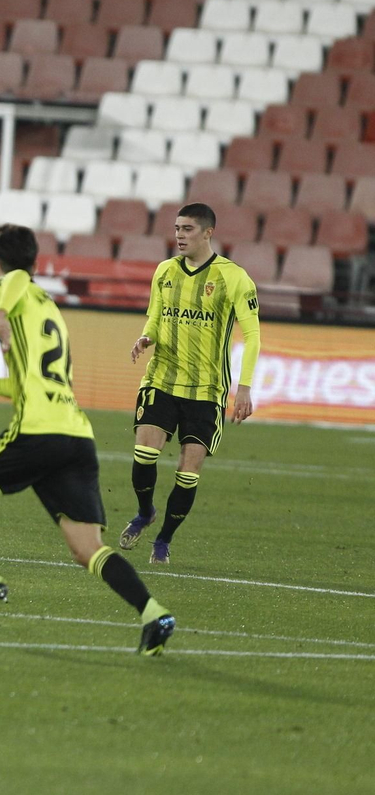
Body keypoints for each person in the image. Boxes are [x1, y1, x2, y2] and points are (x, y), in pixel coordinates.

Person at [0, 224, 176, 656]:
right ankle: (153, 613)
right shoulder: (49, 309)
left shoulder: (8, 288)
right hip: (76, 436)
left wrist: (0, 320)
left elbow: (10, 284)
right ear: (35, 259)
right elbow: (24, 386)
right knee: (87, 549)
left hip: (38, 431)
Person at [120, 202, 261, 564]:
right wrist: (146, 338)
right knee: (144, 453)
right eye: (177, 229)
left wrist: (244, 387)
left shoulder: (233, 278)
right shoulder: (165, 271)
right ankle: (145, 512)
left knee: (188, 472)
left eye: (187, 229)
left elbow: (252, 335)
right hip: (162, 378)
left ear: (208, 232)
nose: (179, 236)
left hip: (206, 390)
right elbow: (155, 317)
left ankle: (163, 540)